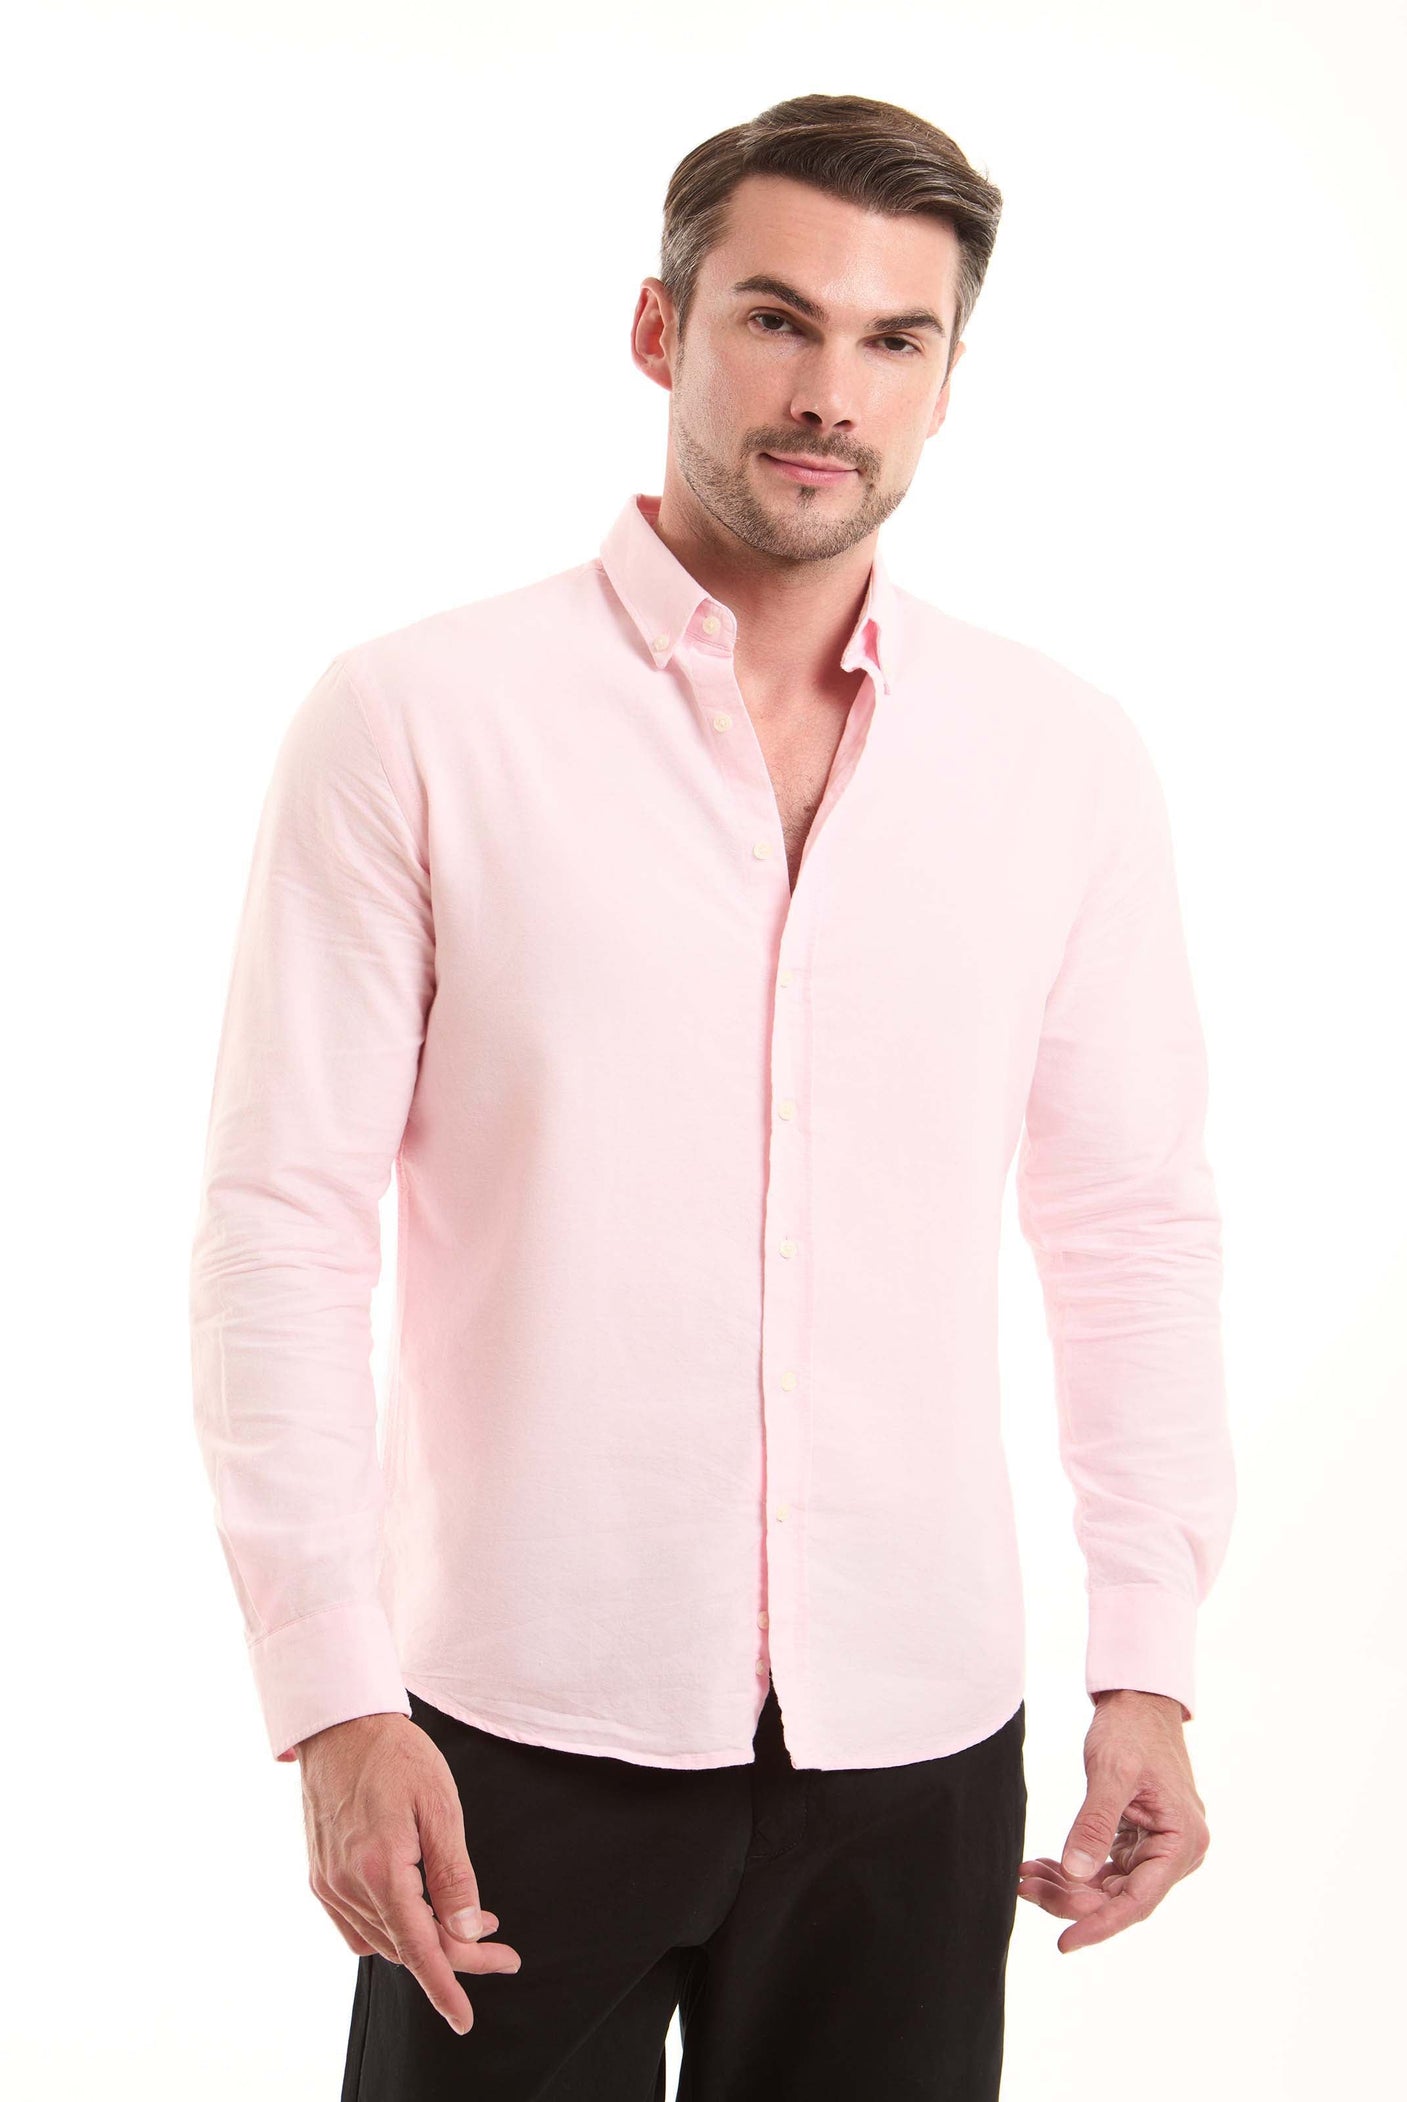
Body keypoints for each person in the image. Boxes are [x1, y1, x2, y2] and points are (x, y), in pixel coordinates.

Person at [189, 91, 1236, 2102]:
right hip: (505, 1730)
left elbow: (1133, 1228)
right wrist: (328, 1696)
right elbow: (280, 1223)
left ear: (946, 385)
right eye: (777, 318)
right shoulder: (418, 720)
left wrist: (1147, 1664)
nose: (831, 390)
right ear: (659, 328)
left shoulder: (1059, 761)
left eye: (893, 338)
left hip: (915, 1739)